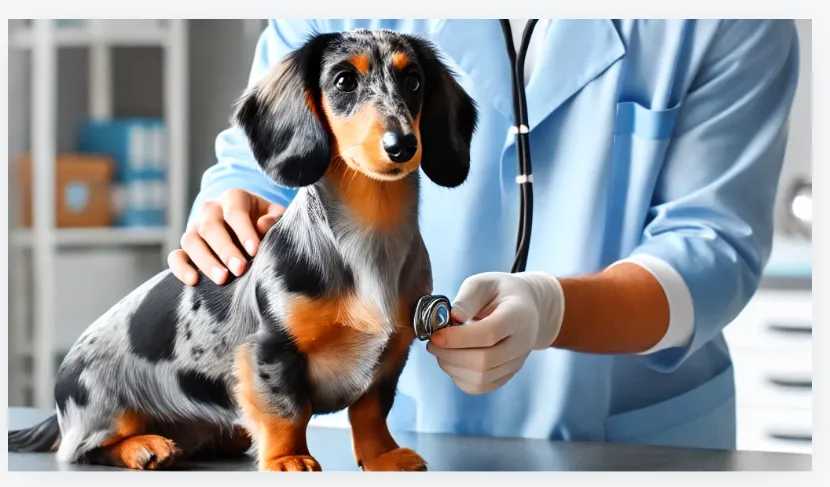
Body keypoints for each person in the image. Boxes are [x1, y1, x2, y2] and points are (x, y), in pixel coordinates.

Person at [168, 19, 799, 450]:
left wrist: (555, 311)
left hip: (629, 441)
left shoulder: (730, 20)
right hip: (364, 424)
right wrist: (233, 207)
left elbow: (713, 247)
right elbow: (263, 160)